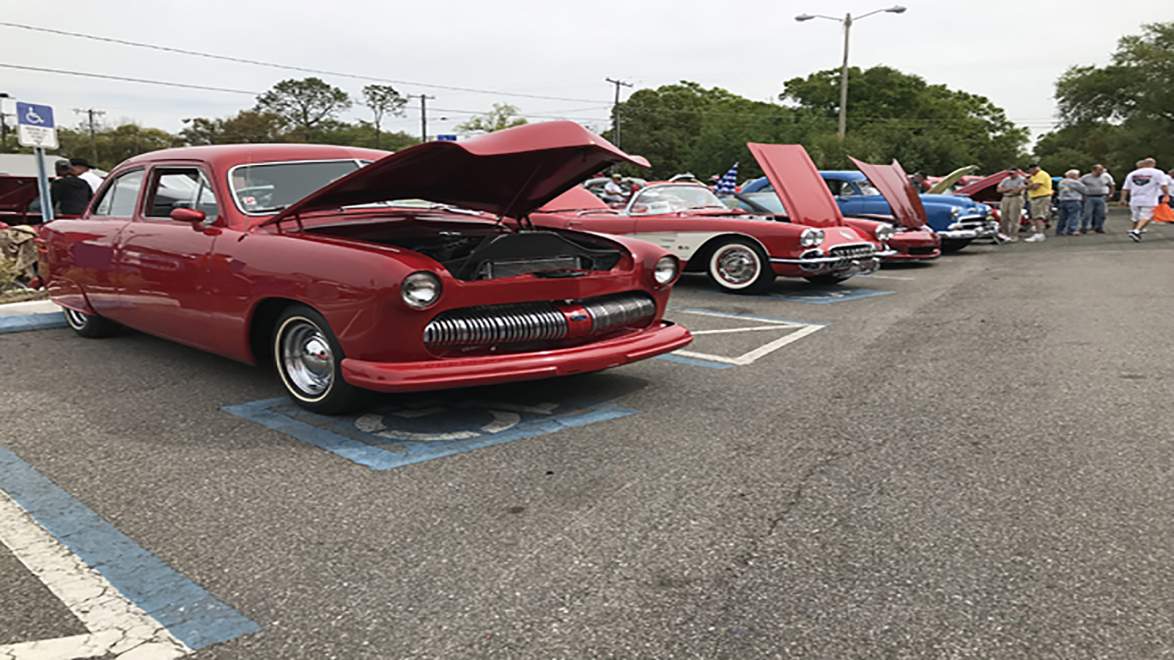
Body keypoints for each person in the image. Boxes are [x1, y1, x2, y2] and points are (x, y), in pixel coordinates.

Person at [1121, 157, 1168, 242]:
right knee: (1146, 216)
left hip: (1135, 199)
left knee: (1136, 217)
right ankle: (1136, 231)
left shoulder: (1132, 174)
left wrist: (1123, 199)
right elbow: (1163, 185)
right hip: (1149, 198)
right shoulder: (1158, 173)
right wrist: (1166, 195)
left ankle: (1135, 231)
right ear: (1153, 164)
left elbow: (1125, 188)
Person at [1079, 164, 1114, 233]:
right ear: (1093, 170)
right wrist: (1082, 195)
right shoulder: (1086, 177)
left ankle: (1098, 227)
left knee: (1102, 214)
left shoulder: (1106, 177)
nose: (1100, 172)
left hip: (1102, 196)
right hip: (1089, 197)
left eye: (1101, 171)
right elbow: (1079, 185)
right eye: (1099, 171)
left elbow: (1111, 185)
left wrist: (1111, 194)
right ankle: (1084, 227)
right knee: (1087, 214)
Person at [1023, 164, 1053, 242]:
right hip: (1035, 198)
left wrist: (1027, 184)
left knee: (1039, 216)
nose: (1029, 172)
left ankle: (1040, 234)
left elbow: (1035, 187)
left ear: (1035, 168)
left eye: (1030, 170)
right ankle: (1038, 232)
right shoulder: (1034, 176)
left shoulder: (1041, 174)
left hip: (1041, 197)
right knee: (1035, 216)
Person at [995, 168, 1026, 242]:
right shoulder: (1006, 179)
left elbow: (1017, 190)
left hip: (1016, 198)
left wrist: (1005, 189)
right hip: (1006, 198)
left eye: (1012, 173)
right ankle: (1005, 234)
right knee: (1003, 217)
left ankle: (1013, 235)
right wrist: (1009, 189)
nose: (1010, 175)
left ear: (1017, 173)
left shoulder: (1022, 179)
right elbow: (998, 189)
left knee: (1014, 217)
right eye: (1009, 174)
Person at [1055, 170, 1086, 236]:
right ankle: (1072, 230)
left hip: (1062, 200)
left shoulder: (1061, 182)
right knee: (1074, 216)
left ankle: (1060, 230)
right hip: (1073, 200)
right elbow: (1084, 189)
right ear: (1073, 175)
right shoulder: (1075, 182)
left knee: (1062, 216)